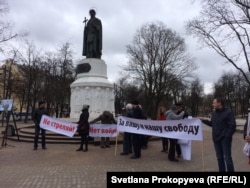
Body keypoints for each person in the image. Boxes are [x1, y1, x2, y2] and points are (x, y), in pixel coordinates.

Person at [200, 96, 236, 172]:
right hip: (216, 139)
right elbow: (212, 123)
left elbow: (232, 126)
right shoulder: (214, 113)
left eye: (214, 103)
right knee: (219, 158)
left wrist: (227, 136)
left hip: (224, 139)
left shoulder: (228, 112)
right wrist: (203, 121)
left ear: (219, 103)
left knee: (227, 158)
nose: (212, 104)